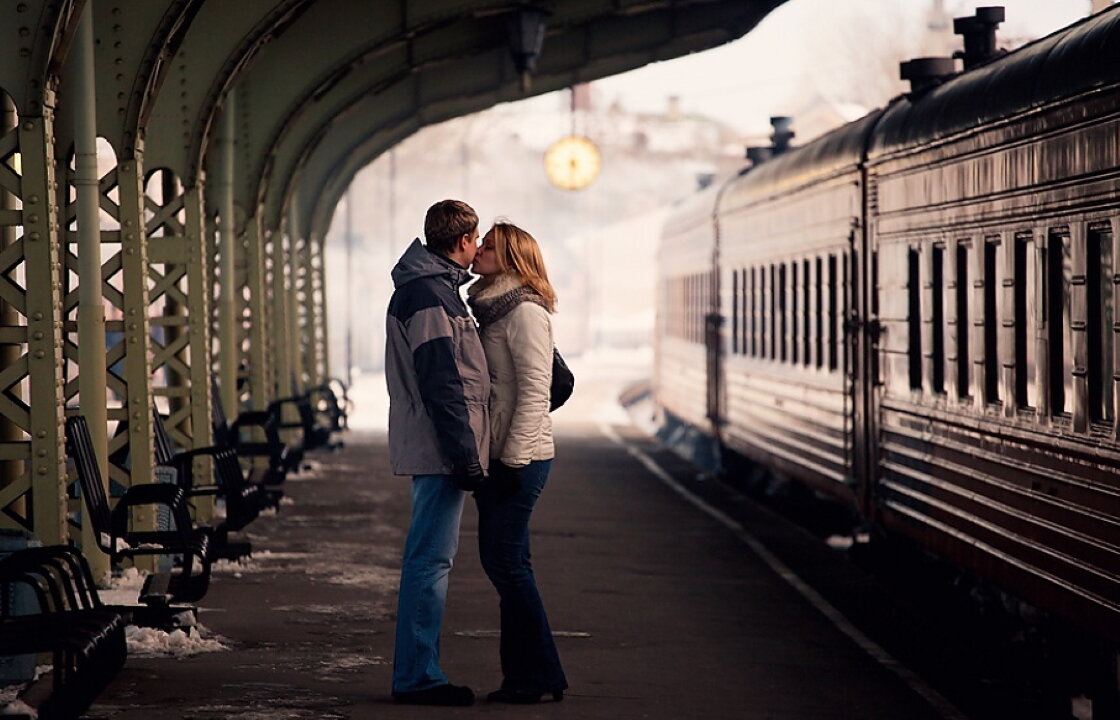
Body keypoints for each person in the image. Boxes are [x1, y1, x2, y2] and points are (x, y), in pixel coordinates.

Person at [384, 199, 490, 706]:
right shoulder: (430, 296)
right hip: (438, 448)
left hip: (437, 445)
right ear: (464, 241)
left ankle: (417, 672)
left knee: (430, 560)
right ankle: (418, 677)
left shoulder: (433, 290)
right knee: (429, 562)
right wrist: (465, 456)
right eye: (476, 241)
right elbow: (443, 385)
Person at [466, 221, 568, 704]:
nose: (479, 251)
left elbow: (535, 392)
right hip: (502, 454)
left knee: (505, 563)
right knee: (511, 564)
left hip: (520, 458)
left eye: (488, 246)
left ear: (510, 258)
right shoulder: (491, 307)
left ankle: (543, 673)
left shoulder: (524, 311)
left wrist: (511, 460)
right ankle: (523, 677)